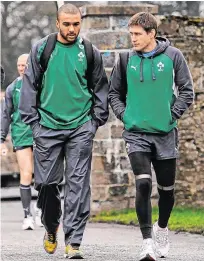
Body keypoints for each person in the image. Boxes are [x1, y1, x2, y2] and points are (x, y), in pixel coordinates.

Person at [19, 3, 109, 259]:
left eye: (76, 24)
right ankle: (50, 227)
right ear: (57, 23)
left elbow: (100, 88)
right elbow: (30, 88)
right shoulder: (42, 49)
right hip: (47, 127)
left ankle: (74, 242)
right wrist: (34, 124)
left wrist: (94, 122)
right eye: (66, 24)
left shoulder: (90, 52)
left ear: (80, 23)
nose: (72, 29)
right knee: (46, 183)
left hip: (81, 127)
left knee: (78, 185)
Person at [109, 12, 194, 261]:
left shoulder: (173, 56)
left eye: (137, 34)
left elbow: (187, 91)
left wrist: (172, 115)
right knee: (143, 183)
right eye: (131, 34)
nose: (132, 39)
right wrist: (126, 116)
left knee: (167, 190)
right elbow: (114, 93)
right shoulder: (125, 60)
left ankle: (162, 228)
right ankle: (147, 242)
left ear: (151, 34)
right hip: (136, 134)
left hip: (165, 133)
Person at [0, 54, 43, 230]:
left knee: (43, 177)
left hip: (41, 135)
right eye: (19, 65)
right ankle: (27, 216)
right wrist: (1, 139)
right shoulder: (12, 88)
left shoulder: (42, 84)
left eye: (24, 64)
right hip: (21, 134)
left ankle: (40, 210)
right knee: (26, 174)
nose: (22, 67)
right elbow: (6, 114)